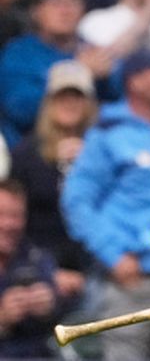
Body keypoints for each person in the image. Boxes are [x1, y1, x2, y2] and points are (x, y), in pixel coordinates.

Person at [60, 47, 150, 361]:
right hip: (132, 276)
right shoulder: (107, 135)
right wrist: (114, 255)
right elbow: (77, 201)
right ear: (136, 82)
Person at [11, 60, 96, 307]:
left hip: (95, 264)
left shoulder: (105, 152)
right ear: (49, 102)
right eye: (62, 96)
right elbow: (14, 221)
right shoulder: (26, 154)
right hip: (40, 267)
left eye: (77, 97)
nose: (70, 104)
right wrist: (45, 270)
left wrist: (89, 160)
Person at [0, 0, 113, 148]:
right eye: (55, 1)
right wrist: (76, 72)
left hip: (86, 150)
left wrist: (107, 78)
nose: (65, 10)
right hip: (32, 152)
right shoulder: (19, 54)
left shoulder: (92, 51)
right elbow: (20, 110)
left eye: (73, 1)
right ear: (37, 10)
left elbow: (116, 105)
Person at [0, 178, 59, 359]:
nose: (9, 224)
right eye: (1, 215)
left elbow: (60, 321)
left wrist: (51, 307)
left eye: (16, 216)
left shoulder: (37, 258)